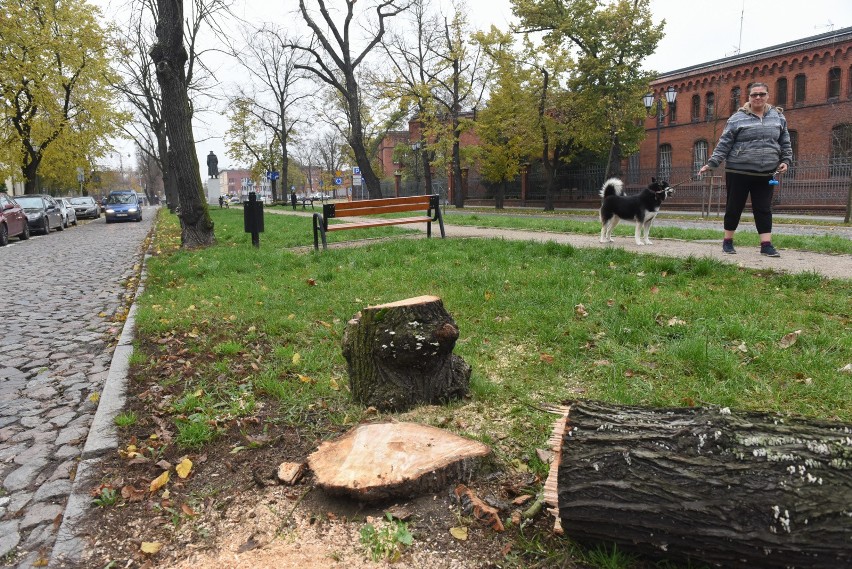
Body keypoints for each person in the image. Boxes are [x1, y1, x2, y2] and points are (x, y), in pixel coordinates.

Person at [698, 82, 792, 257]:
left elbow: (784, 141)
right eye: (754, 94)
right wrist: (712, 163)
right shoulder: (737, 118)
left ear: (768, 96)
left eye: (762, 94)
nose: (758, 97)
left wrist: (785, 159)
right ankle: (728, 241)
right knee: (734, 207)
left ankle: (766, 245)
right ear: (748, 97)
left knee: (763, 208)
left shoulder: (778, 117)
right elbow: (724, 143)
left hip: (766, 173)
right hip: (738, 171)